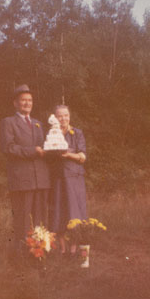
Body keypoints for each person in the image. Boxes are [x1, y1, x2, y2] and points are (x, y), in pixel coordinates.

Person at [0, 84, 50, 258]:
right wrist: (33, 151)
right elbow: (8, 148)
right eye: (23, 100)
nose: (27, 103)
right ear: (15, 103)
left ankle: (39, 253)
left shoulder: (38, 124)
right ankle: (20, 256)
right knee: (22, 220)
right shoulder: (8, 122)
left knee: (40, 219)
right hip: (22, 181)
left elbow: (45, 147)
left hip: (40, 179)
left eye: (29, 100)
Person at [48, 105, 87, 256]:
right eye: (60, 116)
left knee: (75, 212)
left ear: (69, 116)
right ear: (55, 118)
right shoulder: (52, 133)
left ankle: (74, 247)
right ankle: (63, 248)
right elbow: (49, 157)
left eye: (66, 115)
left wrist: (69, 155)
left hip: (74, 179)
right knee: (59, 213)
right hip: (58, 179)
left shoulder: (77, 133)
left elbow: (83, 157)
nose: (63, 119)